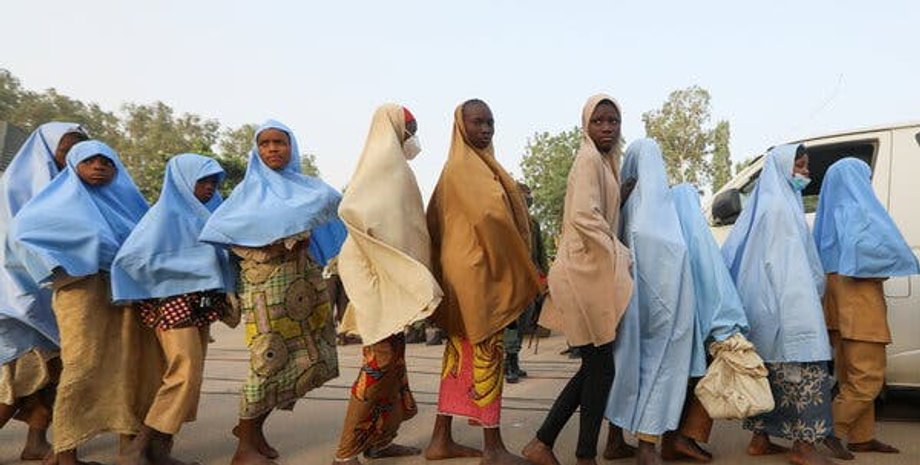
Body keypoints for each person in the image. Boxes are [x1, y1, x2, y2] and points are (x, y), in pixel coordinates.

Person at [200, 120, 345, 465]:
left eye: (279, 142)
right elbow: (223, 233)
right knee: (266, 361)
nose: (272, 149)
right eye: (264, 143)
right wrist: (272, 244)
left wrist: (302, 236)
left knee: (308, 359)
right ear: (256, 150)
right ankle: (244, 445)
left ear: (292, 147)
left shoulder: (309, 189)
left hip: (304, 285)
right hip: (265, 289)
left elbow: (334, 205)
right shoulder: (245, 195)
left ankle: (253, 431)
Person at [9, 140, 160, 465]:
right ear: (74, 165)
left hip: (126, 296)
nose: (98, 167)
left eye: (106, 162)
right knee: (82, 365)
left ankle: (129, 449)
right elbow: (23, 235)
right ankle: (65, 452)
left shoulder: (131, 205)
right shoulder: (55, 204)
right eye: (89, 161)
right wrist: (69, 261)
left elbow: (150, 240)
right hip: (81, 293)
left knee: (129, 366)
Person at [424, 99, 541, 465]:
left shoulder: (461, 167)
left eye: (490, 122)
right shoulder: (465, 168)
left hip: (464, 276)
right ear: (461, 125)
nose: (486, 129)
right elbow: (493, 220)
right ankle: (492, 447)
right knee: (488, 355)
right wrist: (524, 267)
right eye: (478, 122)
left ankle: (440, 439)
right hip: (479, 277)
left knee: (458, 357)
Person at [523, 94, 633, 465]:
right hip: (580, 275)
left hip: (588, 275)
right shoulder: (588, 159)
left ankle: (547, 444)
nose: (606, 128)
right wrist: (621, 252)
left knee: (595, 366)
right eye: (599, 121)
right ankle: (574, 451)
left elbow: (597, 207)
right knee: (600, 366)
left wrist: (623, 195)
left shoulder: (604, 162)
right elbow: (586, 217)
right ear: (585, 125)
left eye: (613, 121)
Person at [332, 104, 443, 464]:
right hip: (374, 277)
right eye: (407, 129)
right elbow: (357, 219)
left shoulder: (396, 169)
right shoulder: (381, 172)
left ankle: (379, 440)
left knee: (394, 360)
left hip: (389, 278)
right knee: (379, 361)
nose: (411, 136)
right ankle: (346, 451)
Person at [111, 154, 234, 465]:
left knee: (191, 374)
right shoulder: (162, 216)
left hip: (202, 305)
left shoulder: (209, 216)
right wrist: (191, 267)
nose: (209, 188)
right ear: (182, 180)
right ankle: (138, 448)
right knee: (185, 371)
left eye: (213, 182)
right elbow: (130, 260)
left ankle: (160, 450)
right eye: (202, 181)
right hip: (172, 304)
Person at [722, 144, 837, 465]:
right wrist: (803, 315)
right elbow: (789, 269)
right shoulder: (779, 209)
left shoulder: (770, 204)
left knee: (770, 374)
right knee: (803, 374)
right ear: (782, 170)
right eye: (798, 166)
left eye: (806, 166)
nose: (805, 172)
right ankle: (803, 448)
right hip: (789, 307)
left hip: (767, 310)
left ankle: (760, 440)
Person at [812, 158, 918, 459]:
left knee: (850, 376)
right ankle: (828, 429)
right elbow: (873, 264)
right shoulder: (859, 213)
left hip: (835, 306)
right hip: (859, 307)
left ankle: (862, 437)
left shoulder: (829, 216)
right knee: (869, 377)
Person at [604, 138, 695, 465]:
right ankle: (646, 447)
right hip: (662, 314)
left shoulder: (621, 208)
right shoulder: (662, 216)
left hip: (625, 309)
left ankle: (614, 439)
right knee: (658, 371)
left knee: (623, 370)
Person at [0, 122, 87, 461]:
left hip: (54, 299)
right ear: (46, 150)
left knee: (53, 378)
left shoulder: (70, 190)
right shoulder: (13, 189)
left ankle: (36, 441)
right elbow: (14, 244)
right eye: (65, 151)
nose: (71, 159)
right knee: (15, 384)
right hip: (13, 300)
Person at [663, 184, 751, 463]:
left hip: (671, 327)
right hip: (699, 325)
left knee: (678, 383)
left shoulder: (664, 236)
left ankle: (670, 441)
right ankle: (682, 439)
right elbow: (715, 283)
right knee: (701, 379)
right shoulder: (698, 238)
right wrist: (728, 324)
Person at [502, 182, 546, 384]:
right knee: (511, 324)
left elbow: (540, 253)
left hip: (529, 281)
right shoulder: (506, 222)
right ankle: (510, 362)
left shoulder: (533, 223)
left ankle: (513, 360)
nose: (527, 200)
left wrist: (543, 277)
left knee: (523, 323)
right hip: (511, 282)